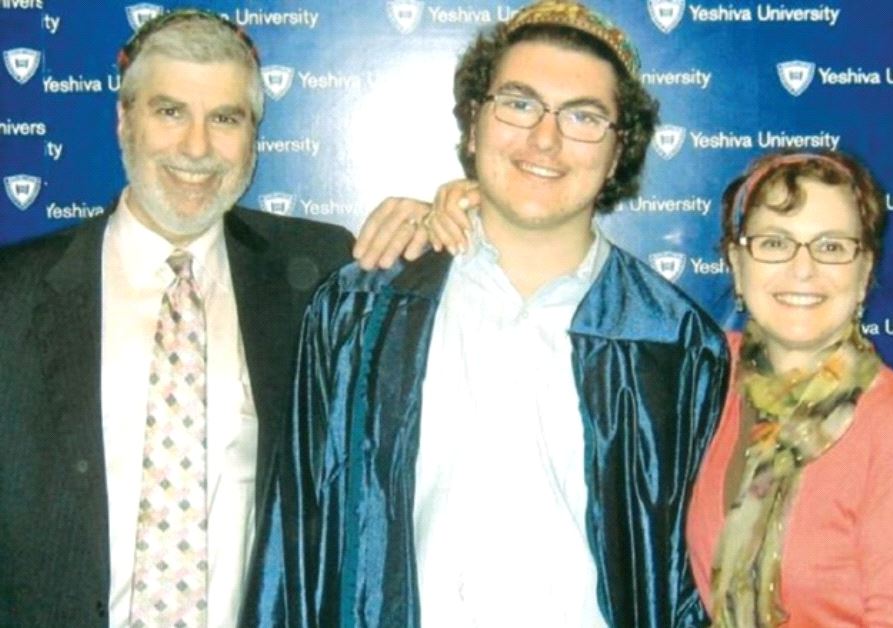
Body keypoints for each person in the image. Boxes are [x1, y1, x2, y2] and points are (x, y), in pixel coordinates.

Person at [252, 1, 729, 626]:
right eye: (520, 103)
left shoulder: (673, 343)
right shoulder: (362, 313)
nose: (545, 138)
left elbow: (688, 582)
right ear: (474, 125)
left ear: (618, 155)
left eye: (584, 116)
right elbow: (299, 543)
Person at [0, 10, 443, 627]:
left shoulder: (319, 271)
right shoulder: (10, 296)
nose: (197, 148)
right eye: (170, 111)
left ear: (254, 135)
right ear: (124, 120)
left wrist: (452, 224)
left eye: (226, 119)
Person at [686, 150, 893, 626]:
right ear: (737, 264)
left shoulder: (890, 428)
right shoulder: (705, 375)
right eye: (776, 243)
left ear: (864, 274)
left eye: (831, 247)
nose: (803, 269)